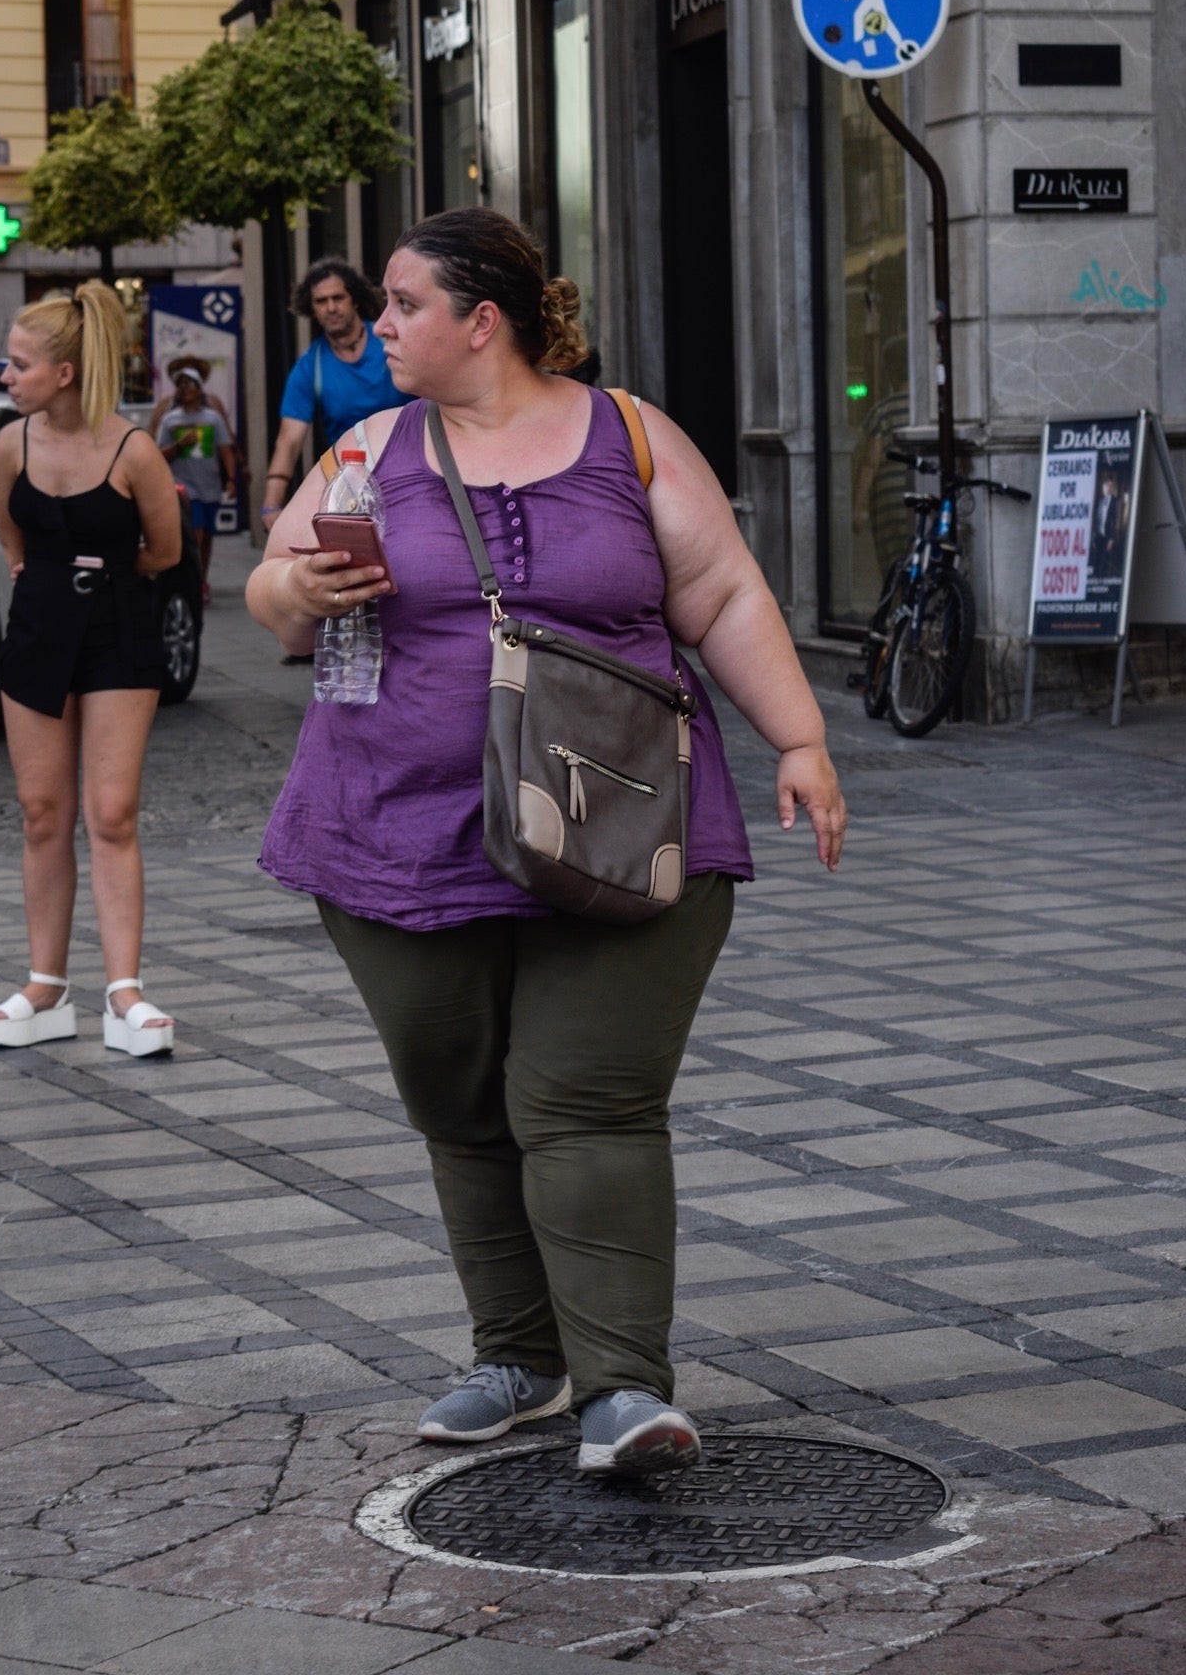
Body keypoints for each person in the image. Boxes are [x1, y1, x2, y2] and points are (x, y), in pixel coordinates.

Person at [247, 208, 846, 1477]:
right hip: (396, 829)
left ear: (484, 320)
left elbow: (725, 588)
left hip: (620, 818)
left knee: (583, 1097)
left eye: (404, 304)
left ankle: (622, 1388)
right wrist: (293, 589)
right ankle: (516, 1355)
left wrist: (799, 739)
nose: (378, 324)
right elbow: (274, 592)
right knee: (461, 1101)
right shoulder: (367, 445)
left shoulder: (627, 434)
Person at [0, 283, 182, 1057]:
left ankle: (124, 991)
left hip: (117, 633)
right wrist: (45, 585)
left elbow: (163, 553)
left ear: (63, 373)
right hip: (36, 631)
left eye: (18, 364)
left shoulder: (133, 449)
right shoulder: (10, 444)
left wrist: (92, 580)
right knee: (41, 812)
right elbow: (11, 538)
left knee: (112, 813)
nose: (7, 376)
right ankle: (45, 983)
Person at [259, 260, 411, 530]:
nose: (331, 307)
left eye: (338, 297)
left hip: (411, 476)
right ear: (312, 308)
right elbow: (289, 440)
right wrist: (271, 506)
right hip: (352, 490)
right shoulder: (311, 366)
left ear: (354, 299)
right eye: (321, 301)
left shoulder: (390, 342)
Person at [156, 364, 238, 599]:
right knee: (196, 531)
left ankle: (202, 579)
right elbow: (158, 453)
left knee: (207, 536)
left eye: (189, 383)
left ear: (199, 389)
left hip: (209, 486)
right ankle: (192, 581)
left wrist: (231, 479)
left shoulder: (212, 418)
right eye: (181, 384)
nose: (185, 388)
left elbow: (225, 450)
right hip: (183, 485)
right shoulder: (170, 420)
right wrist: (179, 446)